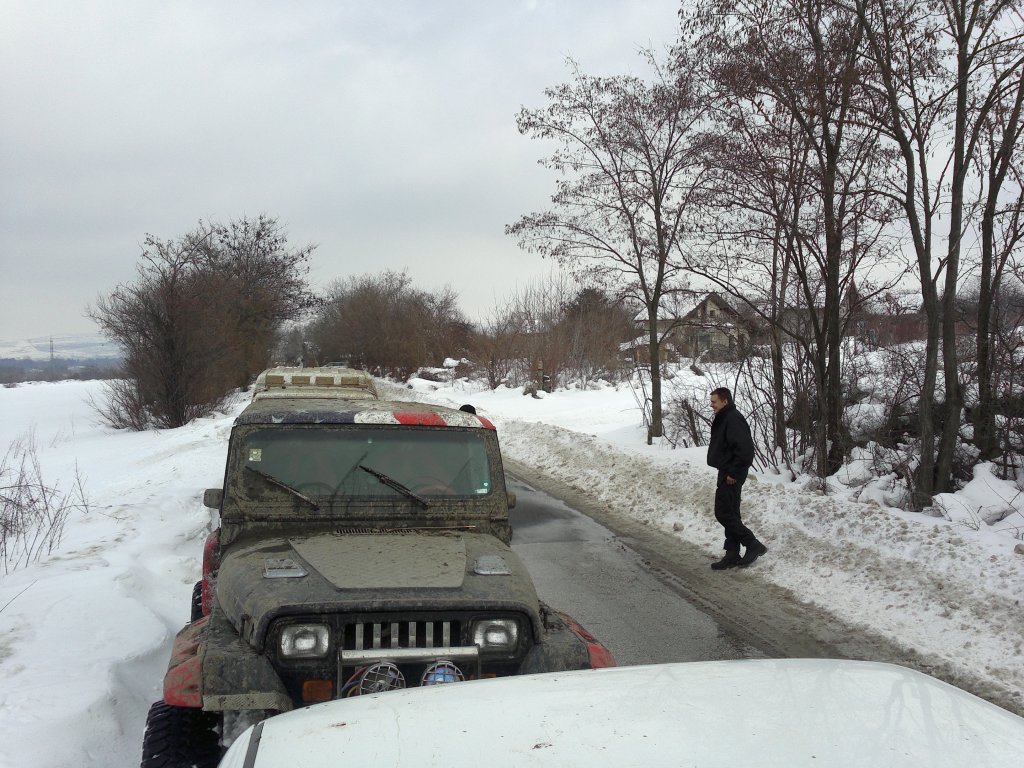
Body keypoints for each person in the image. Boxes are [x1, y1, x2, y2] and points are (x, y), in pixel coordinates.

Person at [706, 387, 767, 570]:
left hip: (731, 474)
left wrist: (733, 472)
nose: (712, 405)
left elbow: (746, 450)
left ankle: (753, 544)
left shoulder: (732, 418)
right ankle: (732, 553)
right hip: (726, 471)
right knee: (731, 513)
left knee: (723, 513)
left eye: (714, 402)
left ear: (725, 401)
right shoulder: (725, 417)